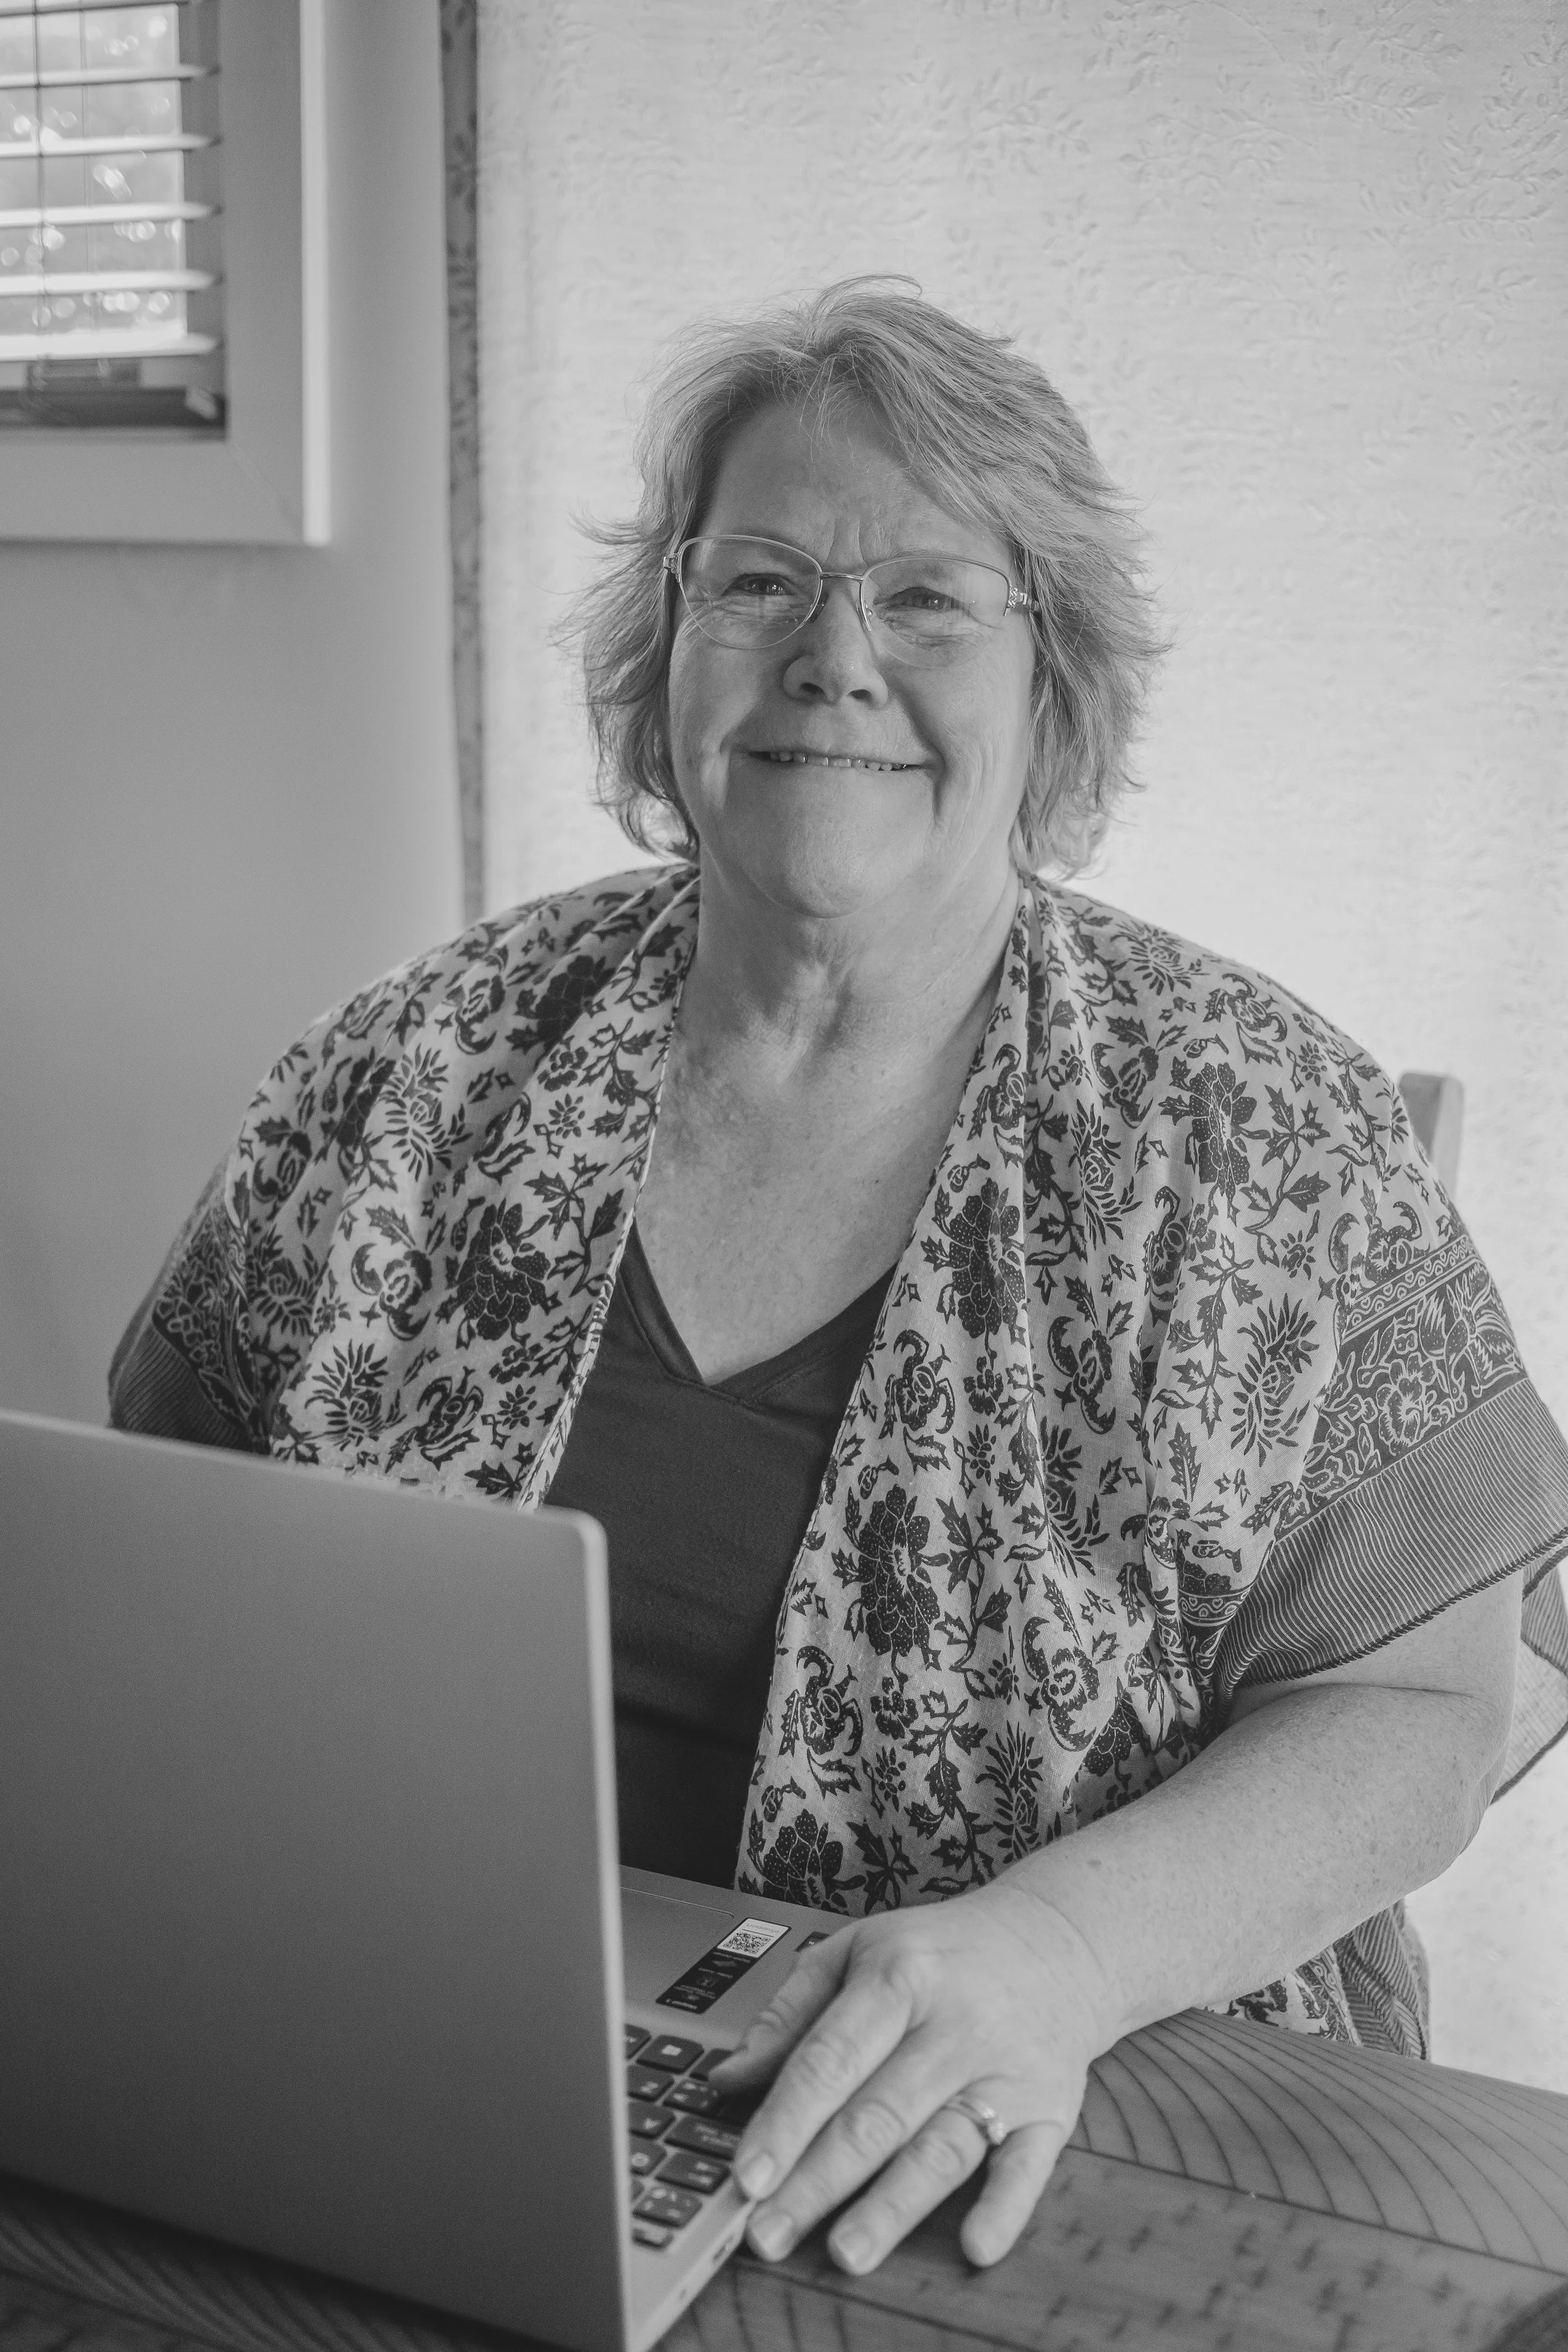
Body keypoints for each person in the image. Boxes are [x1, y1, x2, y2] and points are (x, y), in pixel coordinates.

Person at [110, 280, 1568, 2280]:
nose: (833, 661)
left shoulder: (1247, 1125)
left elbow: (1418, 1708)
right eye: (761, 581)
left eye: (930, 600)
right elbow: (157, 1575)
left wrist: (1054, 1954)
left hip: (1064, 2116)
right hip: (433, 2063)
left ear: (1053, 688)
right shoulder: (410, 1066)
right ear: (665, 652)